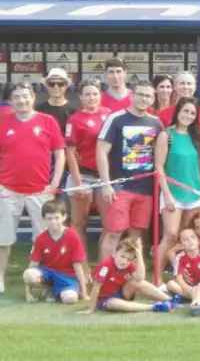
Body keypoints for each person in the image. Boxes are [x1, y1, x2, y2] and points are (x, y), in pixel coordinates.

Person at [0, 81, 65, 294]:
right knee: (3, 240)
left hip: (40, 191)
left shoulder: (48, 121)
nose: (21, 100)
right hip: (8, 191)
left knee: (46, 240)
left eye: (25, 96)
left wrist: (54, 183)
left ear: (33, 98)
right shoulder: (3, 121)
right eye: (16, 97)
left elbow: (59, 153)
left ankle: (46, 280)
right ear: (11, 100)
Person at [96, 80, 163, 260]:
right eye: (140, 94)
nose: (143, 98)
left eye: (148, 95)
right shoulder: (116, 118)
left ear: (153, 99)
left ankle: (129, 273)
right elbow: (101, 152)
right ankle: (105, 275)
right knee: (114, 234)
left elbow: (161, 156)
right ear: (132, 95)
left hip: (146, 189)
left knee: (135, 235)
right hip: (121, 187)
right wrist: (106, 184)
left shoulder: (156, 124)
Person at [155, 97, 200, 277]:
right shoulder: (166, 135)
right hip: (173, 194)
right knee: (170, 235)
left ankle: (184, 275)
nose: (189, 116)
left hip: (194, 195)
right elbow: (159, 167)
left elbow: (195, 163)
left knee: (187, 238)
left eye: (193, 113)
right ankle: (157, 277)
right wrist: (167, 194)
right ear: (177, 111)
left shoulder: (196, 137)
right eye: (186, 111)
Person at [64, 80, 111, 267]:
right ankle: (80, 266)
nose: (92, 97)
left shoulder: (109, 115)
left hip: (105, 177)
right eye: (87, 94)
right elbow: (69, 153)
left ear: (100, 95)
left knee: (109, 225)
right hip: (83, 176)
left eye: (95, 94)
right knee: (78, 223)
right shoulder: (74, 120)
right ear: (81, 97)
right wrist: (77, 182)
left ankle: (103, 266)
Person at [79, 238, 180, 314]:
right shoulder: (106, 265)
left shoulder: (129, 264)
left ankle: (169, 300)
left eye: (128, 259)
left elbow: (140, 278)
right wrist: (91, 308)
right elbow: (96, 287)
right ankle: (154, 307)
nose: (124, 261)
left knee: (137, 281)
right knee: (114, 304)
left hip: (121, 293)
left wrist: (139, 254)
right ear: (114, 253)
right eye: (122, 256)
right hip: (104, 299)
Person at [22, 199, 88, 304]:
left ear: (64, 217)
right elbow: (33, 264)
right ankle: (49, 289)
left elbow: (78, 266)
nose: (53, 222)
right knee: (29, 274)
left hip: (67, 277)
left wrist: (84, 293)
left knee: (70, 299)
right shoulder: (40, 239)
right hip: (49, 274)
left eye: (57, 218)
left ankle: (56, 292)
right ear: (44, 219)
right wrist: (27, 293)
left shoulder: (72, 236)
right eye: (49, 218)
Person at [166, 228, 200, 302]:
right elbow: (179, 277)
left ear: (198, 241)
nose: (190, 240)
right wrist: (186, 288)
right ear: (181, 245)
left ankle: (192, 299)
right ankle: (197, 298)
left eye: (193, 237)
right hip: (188, 287)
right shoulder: (179, 257)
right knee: (170, 284)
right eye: (185, 239)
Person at [36, 68, 77, 135]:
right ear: (46, 86)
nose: (55, 87)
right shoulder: (38, 110)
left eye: (60, 84)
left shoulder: (74, 111)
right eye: (51, 84)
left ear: (66, 86)